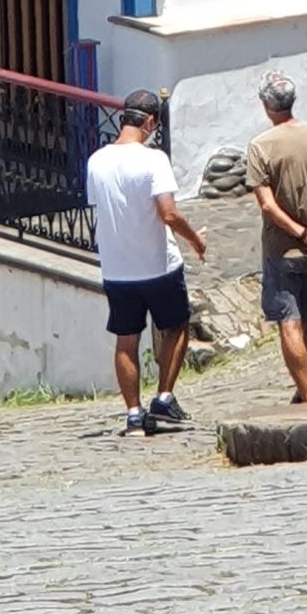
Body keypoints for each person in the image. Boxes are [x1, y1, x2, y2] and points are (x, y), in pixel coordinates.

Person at [87, 91, 206, 435]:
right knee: (177, 325)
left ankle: (134, 413)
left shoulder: (96, 161)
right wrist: (195, 239)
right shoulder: (154, 160)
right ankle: (164, 398)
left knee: (127, 340)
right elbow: (167, 213)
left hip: (116, 268)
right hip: (157, 264)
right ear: (151, 122)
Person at [245, 70, 307, 405]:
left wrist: (302, 233)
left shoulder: (260, 147)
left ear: (266, 106)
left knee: (290, 322)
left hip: (283, 249)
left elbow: (268, 206)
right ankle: (305, 391)